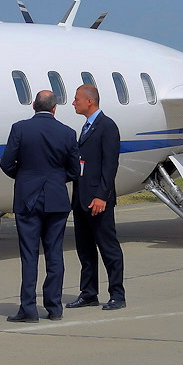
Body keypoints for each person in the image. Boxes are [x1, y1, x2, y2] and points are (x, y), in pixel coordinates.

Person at [0, 90, 80, 322]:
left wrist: (24, 177)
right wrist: (54, 180)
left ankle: (28, 308)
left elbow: (6, 163)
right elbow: (74, 171)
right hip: (56, 198)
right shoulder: (67, 132)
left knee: (29, 254)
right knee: (55, 253)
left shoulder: (20, 128)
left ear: (34, 105)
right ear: (54, 108)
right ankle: (54, 307)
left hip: (28, 198)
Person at [68, 83, 126, 311]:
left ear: (89, 101)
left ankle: (117, 294)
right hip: (82, 199)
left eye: (76, 99)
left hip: (97, 200)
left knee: (108, 248)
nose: (74, 103)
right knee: (85, 249)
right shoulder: (85, 127)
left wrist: (102, 195)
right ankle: (88, 293)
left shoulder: (106, 126)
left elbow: (110, 165)